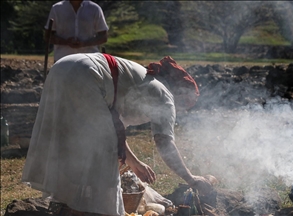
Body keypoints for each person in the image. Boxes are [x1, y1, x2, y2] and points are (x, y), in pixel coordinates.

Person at [21, 53, 213, 216]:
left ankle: (68, 204)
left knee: (72, 142)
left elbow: (112, 129)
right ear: (180, 94)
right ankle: (95, 210)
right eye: (184, 106)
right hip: (87, 75)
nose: (180, 111)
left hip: (62, 68)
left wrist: (135, 163)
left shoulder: (149, 82)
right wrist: (191, 179)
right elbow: (164, 142)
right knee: (102, 156)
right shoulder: (166, 97)